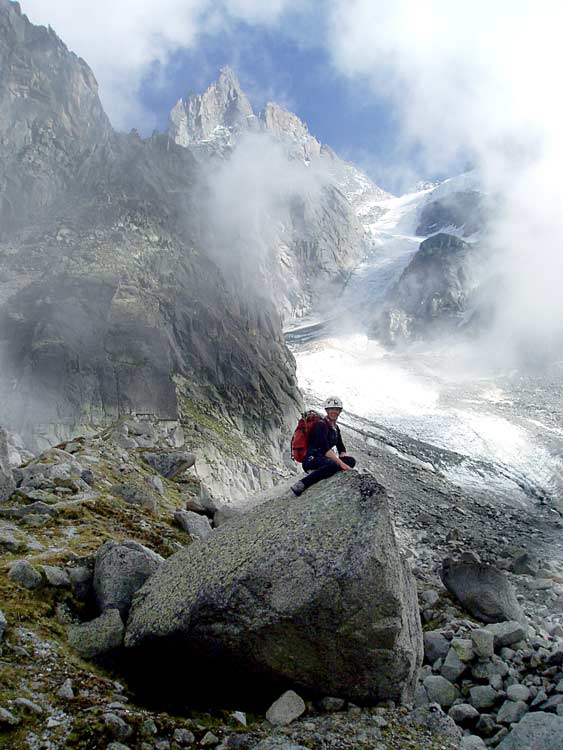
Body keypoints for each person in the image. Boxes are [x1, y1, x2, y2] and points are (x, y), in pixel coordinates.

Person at [291, 396, 356, 496]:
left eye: (337, 409)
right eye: (332, 409)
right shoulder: (321, 425)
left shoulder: (335, 428)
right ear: (327, 410)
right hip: (311, 459)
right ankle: (302, 484)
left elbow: (341, 448)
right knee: (333, 464)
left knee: (351, 461)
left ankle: (326, 470)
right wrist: (341, 464)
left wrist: (345, 459)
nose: (334, 412)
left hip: (323, 459)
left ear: (340, 411)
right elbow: (325, 449)